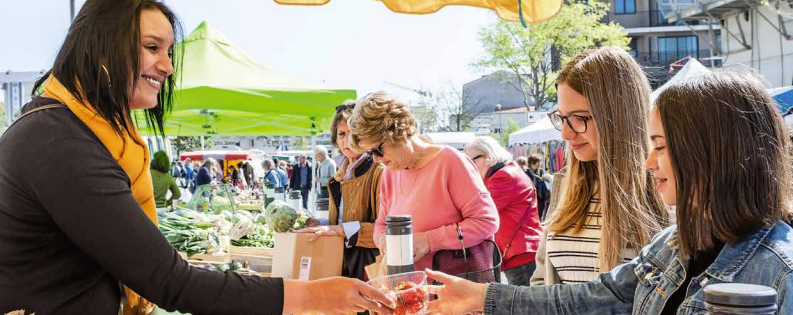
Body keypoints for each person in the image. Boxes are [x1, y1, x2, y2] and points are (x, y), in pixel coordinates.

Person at [0, 1, 395, 313]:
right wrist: (315, 297)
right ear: (101, 43)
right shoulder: (60, 144)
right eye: (152, 47)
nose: (168, 66)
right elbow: (172, 282)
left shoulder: (65, 131)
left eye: (169, 51)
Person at [424, 71, 793, 315]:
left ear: (713, 152)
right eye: (562, 118)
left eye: (661, 147)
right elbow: (595, 297)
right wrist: (485, 298)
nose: (649, 162)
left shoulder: (780, 271)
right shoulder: (673, 244)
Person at [531, 47, 668, 286]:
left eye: (580, 118)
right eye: (562, 117)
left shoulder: (666, 186)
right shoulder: (566, 183)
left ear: (619, 117)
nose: (565, 132)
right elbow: (542, 281)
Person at [347, 92, 499, 272]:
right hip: (409, 289)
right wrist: (383, 239)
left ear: (398, 132)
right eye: (370, 154)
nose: (375, 159)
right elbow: (381, 224)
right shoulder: (390, 173)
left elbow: (486, 221)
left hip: (453, 289)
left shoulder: (450, 161)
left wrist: (429, 240)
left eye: (377, 150)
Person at [297, 102, 384, 282]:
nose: (347, 140)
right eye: (342, 133)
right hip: (341, 261)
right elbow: (343, 220)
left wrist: (337, 229)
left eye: (354, 132)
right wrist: (320, 223)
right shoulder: (338, 177)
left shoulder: (379, 171)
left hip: (369, 268)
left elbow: (383, 230)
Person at [464, 137, 541, 286]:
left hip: (520, 254)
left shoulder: (503, 176)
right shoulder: (504, 172)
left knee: (522, 305)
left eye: (472, 161)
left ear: (488, 156)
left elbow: (479, 211)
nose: (470, 167)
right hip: (521, 252)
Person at [526, 154, 550, 219]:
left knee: (540, 212)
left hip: (540, 195)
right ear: (532, 163)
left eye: (539, 162)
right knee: (531, 214)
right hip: (531, 195)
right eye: (537, 162)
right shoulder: (526, 172)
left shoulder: (541, 171)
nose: (539, 164)